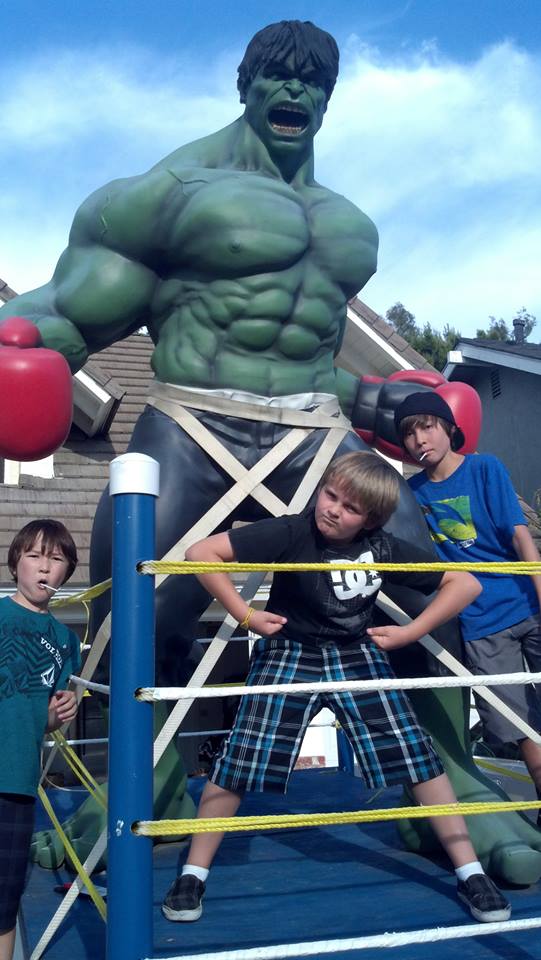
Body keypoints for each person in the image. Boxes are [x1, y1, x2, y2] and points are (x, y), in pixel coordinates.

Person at [162, 452, 511, 926]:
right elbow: (201, 553)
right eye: (330, 495)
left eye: (350, 508)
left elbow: (464, 584)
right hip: (290, 651)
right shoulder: (292, 531)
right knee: (242, 758)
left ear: (371, 519)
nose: (333, 510)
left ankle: (470, 873)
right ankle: (193, 873)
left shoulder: (382, 546)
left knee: (417, 755)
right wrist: (244, 614)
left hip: (356, 652)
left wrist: (409, 633)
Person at [395, 392, 541, 816]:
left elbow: (520, 536)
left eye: (427, 427)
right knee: (517, 721)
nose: (420, 440)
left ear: (449, 427)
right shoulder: (410, 492)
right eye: (409, 434)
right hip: (478, 622)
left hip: (527, 604)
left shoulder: (484, 467)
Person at [0, 519, 80, 960]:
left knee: (5, 899)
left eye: (56, 559)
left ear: (67, 571)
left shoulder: (66, 641)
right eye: (34, 556)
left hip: (18, 780)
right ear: (16, 564)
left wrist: (55, 718)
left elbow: (47, 717)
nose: (44, 567)